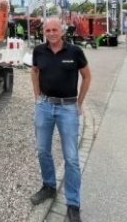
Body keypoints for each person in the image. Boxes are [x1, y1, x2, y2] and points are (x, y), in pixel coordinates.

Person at [30, 17, 92, 222]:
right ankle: (49, 186)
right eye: (47, 30)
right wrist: (37, 96)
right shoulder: (39, 51)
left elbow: (87, 76)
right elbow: (35, 71)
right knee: (42, 150)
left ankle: (73, 204)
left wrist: (79, 103)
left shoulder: (75, 52)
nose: (51, 33)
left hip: (68, 109)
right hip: (45, 106)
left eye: (55, 29)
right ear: (44, 32)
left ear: (62, 31)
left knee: (72, 158)